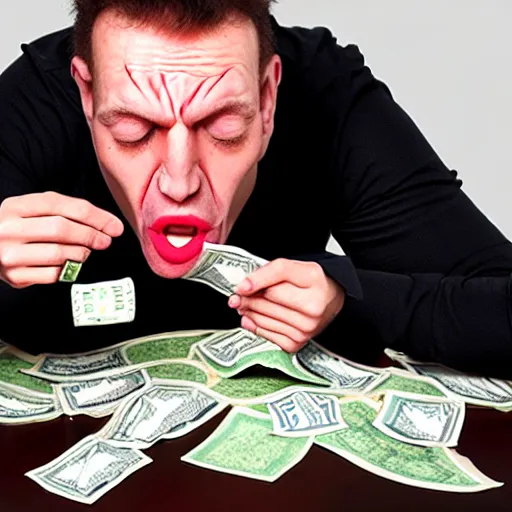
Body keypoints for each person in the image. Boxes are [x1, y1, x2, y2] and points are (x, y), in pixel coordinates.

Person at [0, 0, 511, 378]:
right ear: (85, 93)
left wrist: (350, 295)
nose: (180, 182)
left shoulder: (322, 94)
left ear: (268, 98)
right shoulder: (33, 103)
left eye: (223, 127)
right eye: (134, 128)